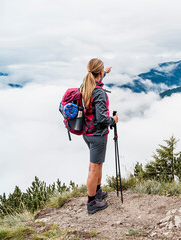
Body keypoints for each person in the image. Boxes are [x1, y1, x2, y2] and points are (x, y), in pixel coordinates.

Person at [80, 58, 118, 214]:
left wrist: (104, 73)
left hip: (87, 132)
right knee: (94, 168)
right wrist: (113, 120)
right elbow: (102, 119)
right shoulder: (99, 93)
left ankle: (97, 192)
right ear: (100, 72)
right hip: (97, 134)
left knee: (97, 164)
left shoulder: (85, 85)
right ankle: (92, 202)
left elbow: (95, 77)